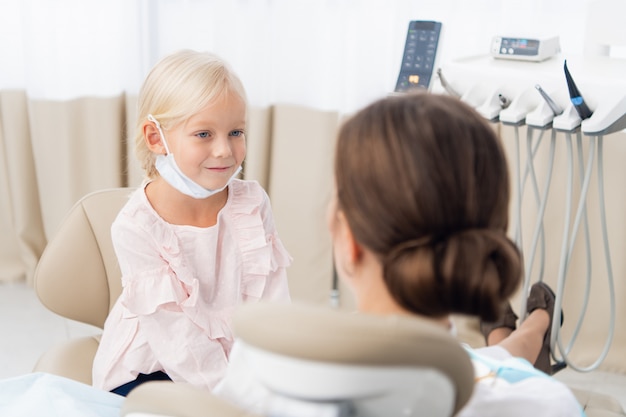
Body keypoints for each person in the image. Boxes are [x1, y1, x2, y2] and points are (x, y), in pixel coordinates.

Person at [214, 92, 584, 416]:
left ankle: (528, 330)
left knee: (494, 358)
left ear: (350, 239)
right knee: (498, 361)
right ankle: (538, 325)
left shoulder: (259, 376)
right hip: (461, 369)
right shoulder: (543, 405)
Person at [91, 49, 291, 396]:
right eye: (203, 134)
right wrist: (232, 400)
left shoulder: (252, 203)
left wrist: (278, 371)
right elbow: (177, 341)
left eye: (236, 132)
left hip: (234, 360)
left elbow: (272, 302)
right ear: (156, 138)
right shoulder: (136, 226)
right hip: (151, 368)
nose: (224, 151)